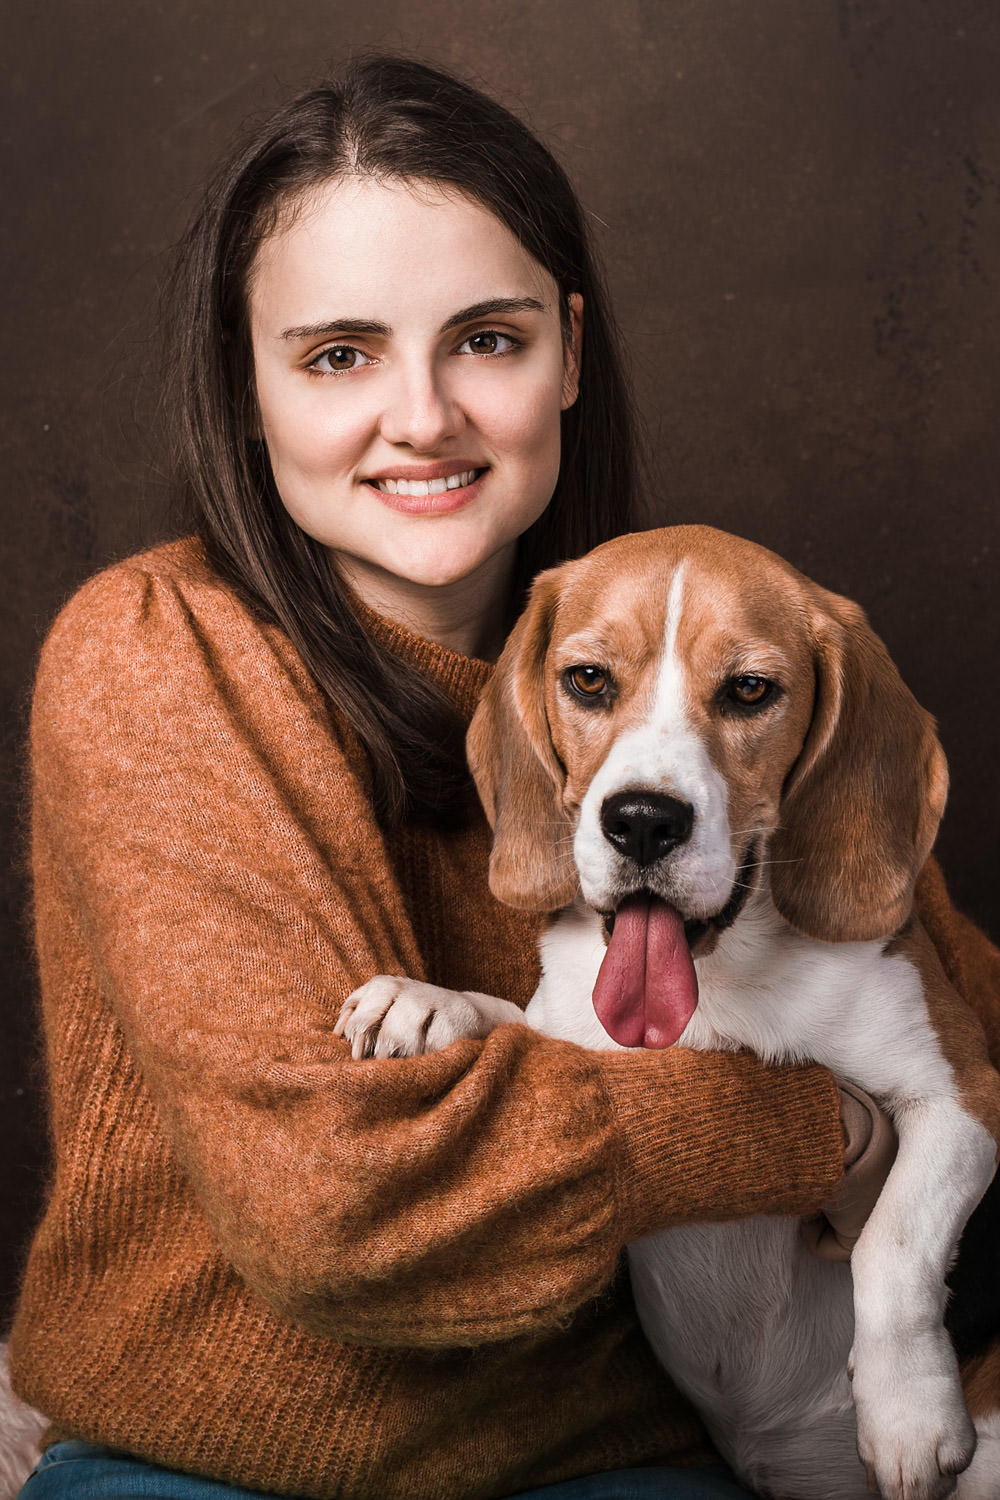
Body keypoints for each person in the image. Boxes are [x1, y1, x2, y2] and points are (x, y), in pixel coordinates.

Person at [8, 55, 998, 1500]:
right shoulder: (158, 657)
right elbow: (336, 1208)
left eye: (486, 338)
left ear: (571, 354)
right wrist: (822, 1130)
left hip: (638, 1460)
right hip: (205, 1465)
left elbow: (951, 1003)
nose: (423, 417)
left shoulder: (718, 632)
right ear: (250, 382)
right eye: (338, 353)